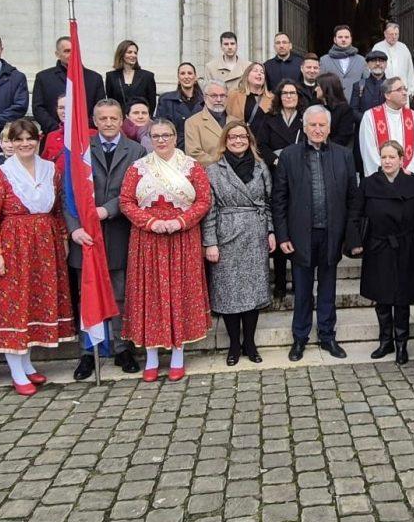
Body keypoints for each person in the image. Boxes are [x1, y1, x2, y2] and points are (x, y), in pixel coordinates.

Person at [0, 119, 73, 396]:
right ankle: (16, 368)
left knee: (34, 301)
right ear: (10, 142)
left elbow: (58, 208)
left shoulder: (50, 169)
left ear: (38, 140)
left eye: (29, 139)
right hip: (14, 242)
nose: (24, 144)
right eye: (18, 139)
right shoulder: (0, 174)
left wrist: (62, 237)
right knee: (14, 302)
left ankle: (27, 361)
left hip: (44, 241)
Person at [120, 118, 212, 381]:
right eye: (156, 136)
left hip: (182, 237)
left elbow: (204, 199)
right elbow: (126, 201)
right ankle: (151, 356)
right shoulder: (138, 168)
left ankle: (177, 355)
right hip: (148, 239)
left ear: (175, 137)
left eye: (166, 135)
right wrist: (150, 222)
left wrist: (180, 221)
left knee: (179, 292)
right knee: (150, 294)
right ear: (149, 138)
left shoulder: (191, 167)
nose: (161, 140)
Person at [65, 100, 146, 380]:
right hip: (85, 236)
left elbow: (135, 190)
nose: (108, 123)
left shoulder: (135, 150)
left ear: (122, 120)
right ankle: (89, 352)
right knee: (86, 294)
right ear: (94, 120)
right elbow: (69, 193)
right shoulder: (80, 150)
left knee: (120, 295)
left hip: (118, 233)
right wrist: (74, 228)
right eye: (103, 118)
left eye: (113, 118)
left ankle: (123, 347)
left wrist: (108, 209)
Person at [272, 106, 360, 361]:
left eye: (322, 125)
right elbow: (279, 199)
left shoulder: (344, 155)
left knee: (328, 290)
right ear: (304, 127)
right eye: (313, 125)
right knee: (301, 291)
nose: (318, 130)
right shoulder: (288, 156)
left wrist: (350, 236)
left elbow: (352, 197)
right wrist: (283, 236)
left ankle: (327, 336)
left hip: (332, 234)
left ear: (329, 128)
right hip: (300, 235)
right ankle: (299, 338)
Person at [203, 122, 274, 366]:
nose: (237, 141)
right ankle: (234, 344)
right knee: (230, 293)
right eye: (232, 137)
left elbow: (268, 200)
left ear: (249, 140)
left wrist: (271, 231)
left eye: (242, 137)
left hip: (255, 232)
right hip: (227, 234)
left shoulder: (260, 166)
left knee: (253, 291)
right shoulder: (213, 170)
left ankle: (250, 343)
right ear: (225, 140)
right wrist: (210, 242)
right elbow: (209, 210)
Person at [350, 141, 414, 365]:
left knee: (401, 298)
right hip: (377, 246)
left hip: (405, 246)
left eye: (392, 157)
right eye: (384, 157)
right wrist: (355, 242)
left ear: (402, 160)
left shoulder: (413, 184)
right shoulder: (369, 183)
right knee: (381, 297)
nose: (388, 161)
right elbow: (355, 213)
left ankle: (401, 343)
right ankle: (385, 341)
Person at [256, 80, 304, 298]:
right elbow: (261, 145)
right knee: (280, 225)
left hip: (300, 176)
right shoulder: (269, 119)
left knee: (297, 228)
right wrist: (275, 160)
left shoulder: (306, 118)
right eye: (284, 93)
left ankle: (297, 281)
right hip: (277, 175)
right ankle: (280, 283)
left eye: (292, 93)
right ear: (279, 96)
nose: (289, 97)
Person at [31, 36, 106, 133]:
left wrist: (83, 128)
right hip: (53, 134)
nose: (72, 55)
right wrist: (57, 128)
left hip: (86, 136)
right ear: (57, 54)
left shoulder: (95, 78)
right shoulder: (43, 78)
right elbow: (38, 108)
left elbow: (100, 107)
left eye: (75, 51)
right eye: (67, 51)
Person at [357, 77, 414, 177]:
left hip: (408, 177)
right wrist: (386, 172)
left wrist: (410, 171)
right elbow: (368, 150)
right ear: (387, 95)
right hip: (381, 180)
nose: (405, 93)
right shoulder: (370, 116)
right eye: (399, 90)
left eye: (405, 89)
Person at [155, 62, 205, 150]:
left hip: (200, 148)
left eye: (190, 73)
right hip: (175, 148)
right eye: (182, 73)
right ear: (178, 77)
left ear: (195, 77)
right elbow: (160, 126)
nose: (186, 77)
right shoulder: (166, 100)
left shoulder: (206, 101)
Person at [106, 39, 158, 115]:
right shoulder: (111, 76)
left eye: (135, 53)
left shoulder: (147, 76)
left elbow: (152, 104)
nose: (133, 55)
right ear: (121, 54)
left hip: (141, 121)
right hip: (120, 122)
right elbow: (111, 102)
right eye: (129, 52)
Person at [184, 80, 229, 165]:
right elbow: (193, 154)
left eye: (222, 95)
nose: (219, 99)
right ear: (205, 98)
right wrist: (222, 164)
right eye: (214, 96)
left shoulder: (236, 121)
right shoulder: (192, 123)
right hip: (209, 173)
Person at [41, 95, 96, 163]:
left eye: (68, 107)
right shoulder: (52, 136)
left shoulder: (93, 134)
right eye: (61, 108)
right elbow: (44, 164)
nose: (64, 111)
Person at [370, 22, 414, 97]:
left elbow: (410, 70)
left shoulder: (403, 48)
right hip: (384, 92)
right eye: (391, 34)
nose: (394, 37)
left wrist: (411, 90)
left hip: (402, 91)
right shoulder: (378, 47)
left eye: (396, 34)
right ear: (385, 34)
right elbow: (372, 70)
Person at [321, 24, 368, 95]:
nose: (343, 39)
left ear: (351, 39)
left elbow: (366, 80)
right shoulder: (324, 60)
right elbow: (320, 82)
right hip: (332, 103)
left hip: (355, 103)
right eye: (340, 37)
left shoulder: (361, 60)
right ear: (335, 39)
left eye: (346, 37)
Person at [315, 72, 357, 148]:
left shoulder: (345, 110)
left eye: (318, 86)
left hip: (334, 152)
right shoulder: (316, 107)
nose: (315, 89)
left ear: (326, 87)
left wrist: (323, 146)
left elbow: (343, 137)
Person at [226, 62, 273, 128]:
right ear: (247, 75)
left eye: (262, 72)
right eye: (255, 71)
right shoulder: (234, 95)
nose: (259, 73)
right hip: (240, 137)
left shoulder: (272, 99)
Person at [350, 51, 389, 116]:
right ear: (367, 65)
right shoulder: (359, 85)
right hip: (364, 124)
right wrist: (369, 122)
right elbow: (353, 111)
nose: (377, 64)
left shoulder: (392, 85)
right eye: (373, 61)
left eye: (381, 61)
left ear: (386, 64)